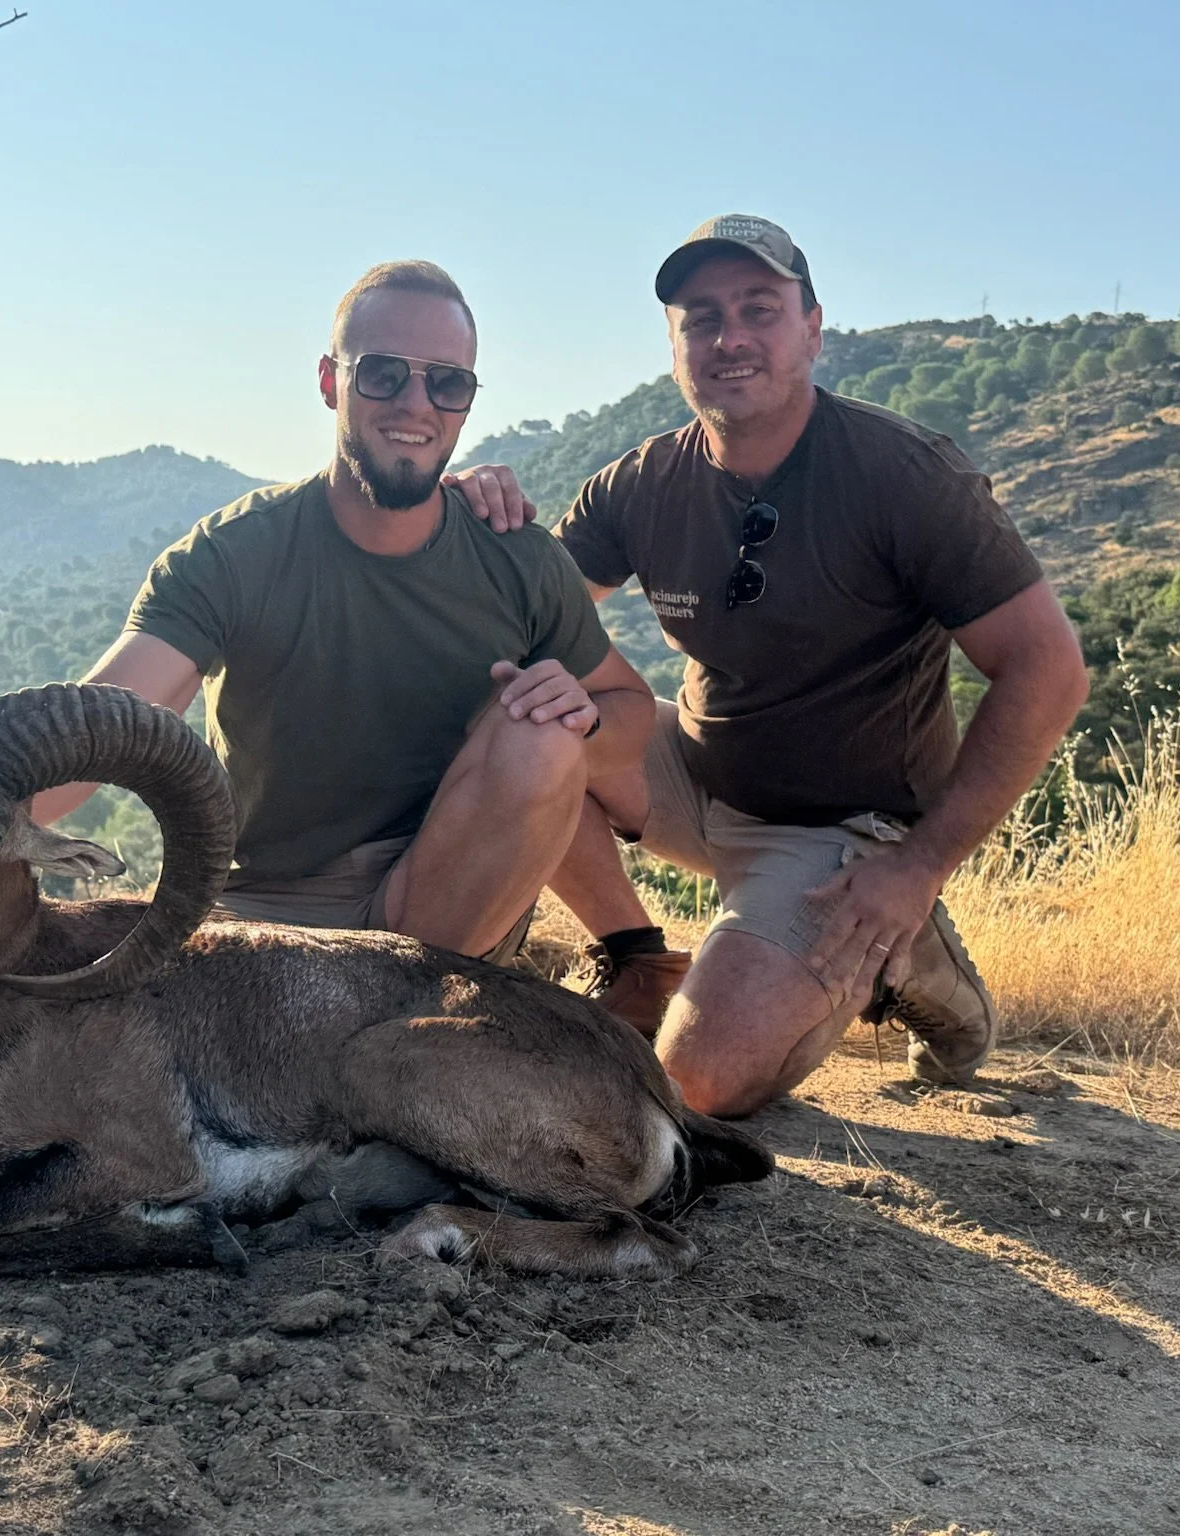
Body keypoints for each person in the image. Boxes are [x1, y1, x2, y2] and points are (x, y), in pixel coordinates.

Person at [460, 215, 1089, 1114]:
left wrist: (920, 866)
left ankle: (910, 952)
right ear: (674, 343)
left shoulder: (902, 476)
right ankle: (639, 959)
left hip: (840, 834)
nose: (731, 336)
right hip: (697, 777)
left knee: (696, 1083)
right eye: (702, 317)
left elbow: (1048, 670)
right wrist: (472, 510)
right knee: (515, 719)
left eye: (760, 308)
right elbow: (522, 618)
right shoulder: (639, 483)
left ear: (813, 328)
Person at [32, 260, 655, 961]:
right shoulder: (234, 555)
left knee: (542, 737)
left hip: (444, 899)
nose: (417, 404)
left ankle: (413, 1014)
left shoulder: (516, 559)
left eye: (447, 382)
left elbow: (627, 709)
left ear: (468, 401)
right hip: (264, 913)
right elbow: (102, 727)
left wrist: (580, 720)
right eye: (384, 373)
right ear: (331, 382)